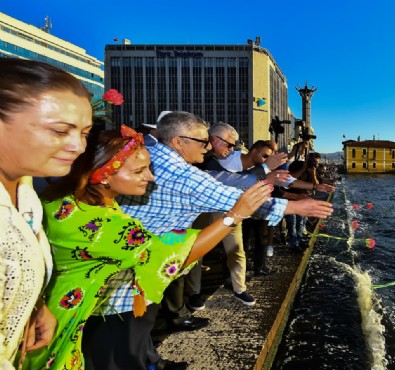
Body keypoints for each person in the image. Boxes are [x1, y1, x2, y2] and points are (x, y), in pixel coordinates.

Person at [25, 126, 273, 370]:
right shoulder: (101, 226)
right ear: (103, 173)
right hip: (72, 324)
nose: (151, 177)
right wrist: (234, 216)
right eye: (139, 171)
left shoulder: (65, 200)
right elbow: (171, 255)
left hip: (57, 310)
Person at [115, 112, 332, 365]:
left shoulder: (154, 153)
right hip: (135, 272)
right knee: (125, 336)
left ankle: (151, 359)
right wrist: (293, 208)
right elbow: (231, 196)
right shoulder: (180, 172)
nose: (206, 147)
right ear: (178, 141)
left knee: (138, 330)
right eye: (202, 141)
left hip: (139, 256)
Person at [0, 58, 92, 369]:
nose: (78, 146)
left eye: (84, 133)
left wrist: (32, 305)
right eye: (59, 131)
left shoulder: (25, 192)